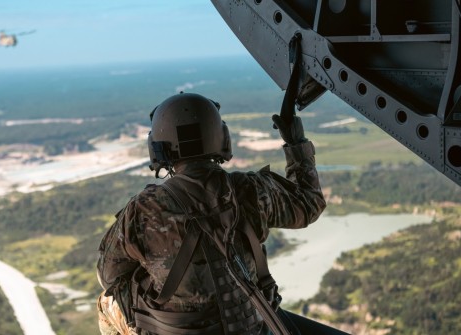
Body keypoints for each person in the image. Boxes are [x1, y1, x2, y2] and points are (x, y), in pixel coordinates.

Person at [97, 92, 326, 335]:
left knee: (105, 302)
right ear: (221, 137)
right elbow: (309, 203)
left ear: (158, 149)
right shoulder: (251, 190)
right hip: (251, 327)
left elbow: (109, 276)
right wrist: (296, 144)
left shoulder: (143, 209)